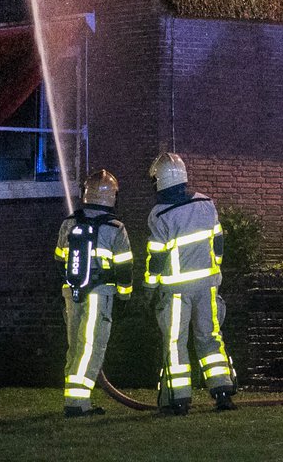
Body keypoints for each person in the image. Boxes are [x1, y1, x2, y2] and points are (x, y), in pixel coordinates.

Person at [145, 152, 236, 414]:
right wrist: (213, 270)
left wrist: (149, 288)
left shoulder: (160, 215)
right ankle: (223, 392)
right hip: (207, 286)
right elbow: (218, 243)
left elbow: (157, 258)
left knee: (175, 343)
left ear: (159, 181)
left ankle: (178, 398)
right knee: (210, 338)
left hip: (175, 292)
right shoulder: (207, 204)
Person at [54, 168, 136, 418]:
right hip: (99, 295)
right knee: (91, 346)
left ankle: (74, 399)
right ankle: (78, 404)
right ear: (113, 196)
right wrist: (124, 296)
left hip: (72, 293)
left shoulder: (69, 223)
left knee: (76, 347)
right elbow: (124, 268)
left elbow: (59, 261)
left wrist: (71, 287)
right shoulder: (115, 228)